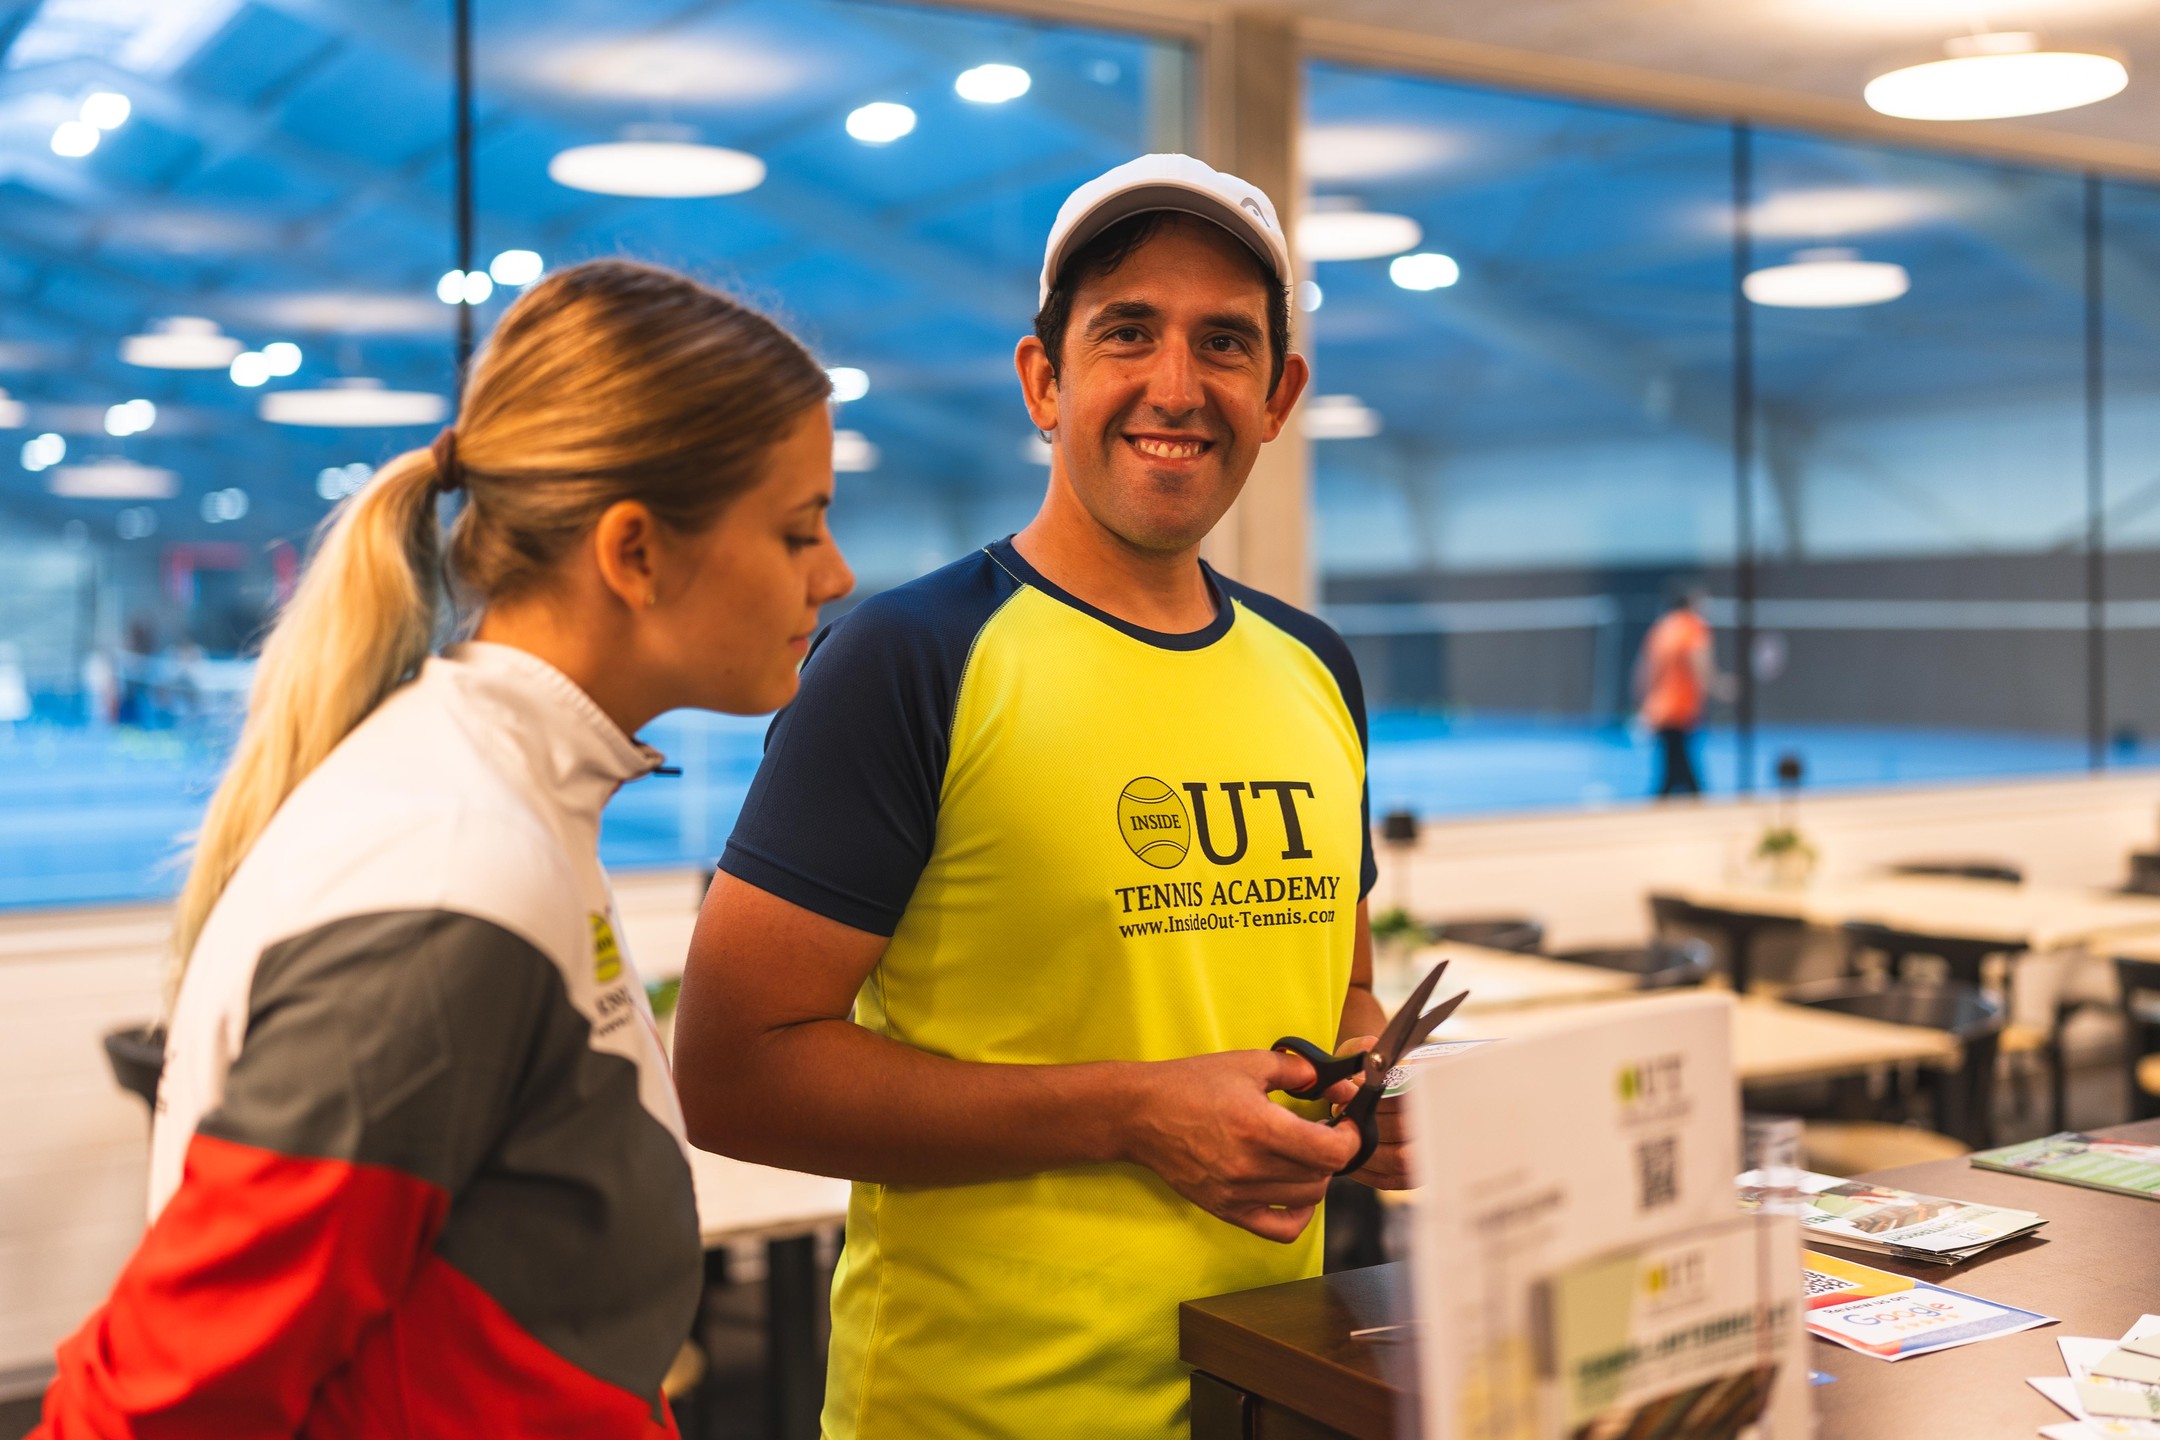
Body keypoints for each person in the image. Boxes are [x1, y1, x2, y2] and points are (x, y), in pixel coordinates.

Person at [33, 260, 853, 1438]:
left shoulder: (516, 801)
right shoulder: (453, 878)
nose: (835, 573)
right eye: (798, 528)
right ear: (635, 554)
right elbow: (154, 1404)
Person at [673, 154, 1397, 1440]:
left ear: (1278, 395)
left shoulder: (1314, 669)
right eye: (1129, 333)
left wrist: (1371, 1101)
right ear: (1045, 380)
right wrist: (1130, 1115)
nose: (1178, 386)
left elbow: (1337, 993)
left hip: (1258, 1395)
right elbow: (732, 1073)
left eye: (1225, 344)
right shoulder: (914, 658)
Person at [1636, 586, 1715, 797]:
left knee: (1674, 765)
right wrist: (1718, 686)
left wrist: (1644, 704)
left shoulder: (1661, 628)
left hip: (1659, 707)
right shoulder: (1693, 628)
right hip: (1680, 707)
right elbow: (1700, 667)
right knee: (1678, 768)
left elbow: (1644, 670)